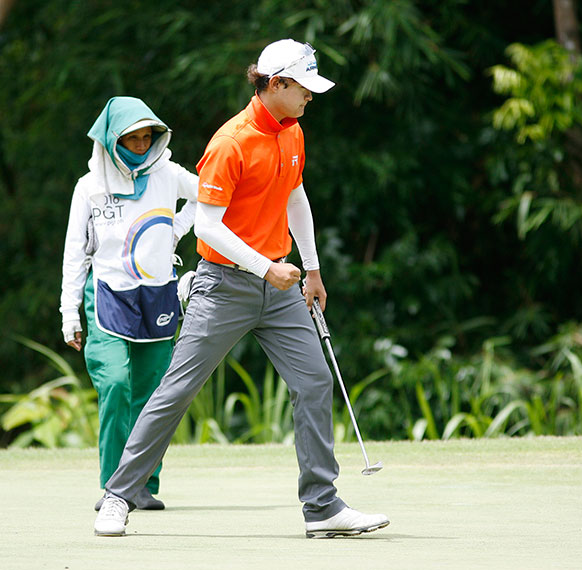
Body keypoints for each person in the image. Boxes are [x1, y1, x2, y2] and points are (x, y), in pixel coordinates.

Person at [93, 39, 390, 538]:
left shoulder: (292, 133)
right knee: (177, 390)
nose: (310, 99)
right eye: (303, 90)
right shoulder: (230, 141)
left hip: (279, 286)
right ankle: (118, 496)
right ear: (277, 85)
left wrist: (311, 270)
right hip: (224, 287)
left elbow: (296, 197)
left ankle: (322, 507)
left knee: (315, 382)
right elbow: (207, 226)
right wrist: (264, 268)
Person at [60, 96, 198, 511]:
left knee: (154, 394)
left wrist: (175, 229)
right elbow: (75, 252)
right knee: (116, 383)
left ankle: (142, 483)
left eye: (146, 137)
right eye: (131, 139)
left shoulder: (168, 174)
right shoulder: (89, 186)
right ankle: (113, 485)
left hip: (157, 294)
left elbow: (210, 195)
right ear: (110, 141)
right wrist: (69, 313)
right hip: (106, 296)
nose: (140, 145)